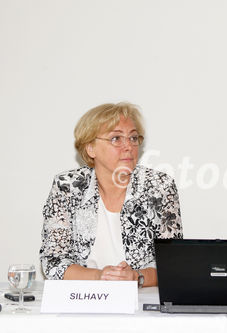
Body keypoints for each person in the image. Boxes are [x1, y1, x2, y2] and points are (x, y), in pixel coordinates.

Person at [40, 102, 182, 287]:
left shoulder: (160, 187)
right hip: (82, 297)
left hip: (140, 300)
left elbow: (173, 263)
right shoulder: (67, 187)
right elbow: (53, 261)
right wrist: (99, 276)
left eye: (133, 138)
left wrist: (136, 277)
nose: (128, 146)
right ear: (90, 148)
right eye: (116, 138)